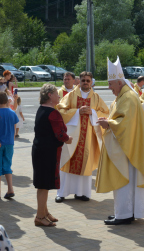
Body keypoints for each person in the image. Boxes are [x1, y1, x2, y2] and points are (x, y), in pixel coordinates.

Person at [95, 58, 144, 225]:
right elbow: (122, 118)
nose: (109, 88)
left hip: (126, 148)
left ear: (119, 82)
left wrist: (109, 124)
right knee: (126, 180)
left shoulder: (127, 97)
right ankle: (126, 212)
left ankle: (124, 214)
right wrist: (109, 120)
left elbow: (125, 123)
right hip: (126, 146)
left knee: (123, 179)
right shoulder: (124, 95)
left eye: (110, 84)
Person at [55, 72, 109, 203]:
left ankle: (82, 193)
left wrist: (93, 112)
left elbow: (106, 113)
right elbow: (60, 110)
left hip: (88, 138)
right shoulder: (71, 96)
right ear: (79, 82)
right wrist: (77, 111)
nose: (85, 82)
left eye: (88, 80)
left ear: (91, 82)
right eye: (83, 80)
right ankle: (61, 193)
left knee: (85, 163)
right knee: (67, 161)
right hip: (72, 136)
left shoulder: (96, 98)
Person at [32, 84, 73, 227]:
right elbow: (60, 134)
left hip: (39, 150)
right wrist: (68, 139)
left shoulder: (42, 109)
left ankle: (44, 212)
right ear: (49, 95)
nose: (59, 96)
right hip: (47, 152)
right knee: (44, 185)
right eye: (56, 93)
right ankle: (40, 216)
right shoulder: (53, 113)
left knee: (43, 184)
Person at [0, 92, 19, 199]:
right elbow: (15, 131)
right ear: (7, 101)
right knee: (7, 166)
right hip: (9, 144)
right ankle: (10, 189)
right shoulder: (12, 113)